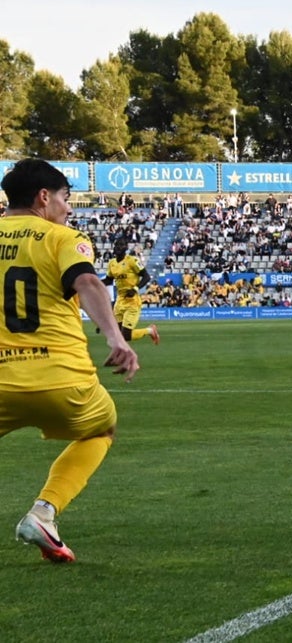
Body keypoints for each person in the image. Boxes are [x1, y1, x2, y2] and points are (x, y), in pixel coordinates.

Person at [0, 158, 140, 562]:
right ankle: (44, 512)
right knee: (102, 430)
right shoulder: (62, 237)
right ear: (44, 197)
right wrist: (116, 337)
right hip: (63, 379)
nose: (68, 207)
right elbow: (87, 280)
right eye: (65, 197)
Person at [101, 239, 159, 345]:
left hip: (132, 301)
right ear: (114, 247)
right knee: (118, 335)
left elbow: (146, 276)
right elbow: (109, 280)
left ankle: (150, 331)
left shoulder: (132, 261)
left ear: (126, 248)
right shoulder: (111, 263)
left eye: (121, 245)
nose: (119, 247)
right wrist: (93, 284)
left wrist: (135, 289)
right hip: (119, 301)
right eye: (117, 245)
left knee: (125, 336)